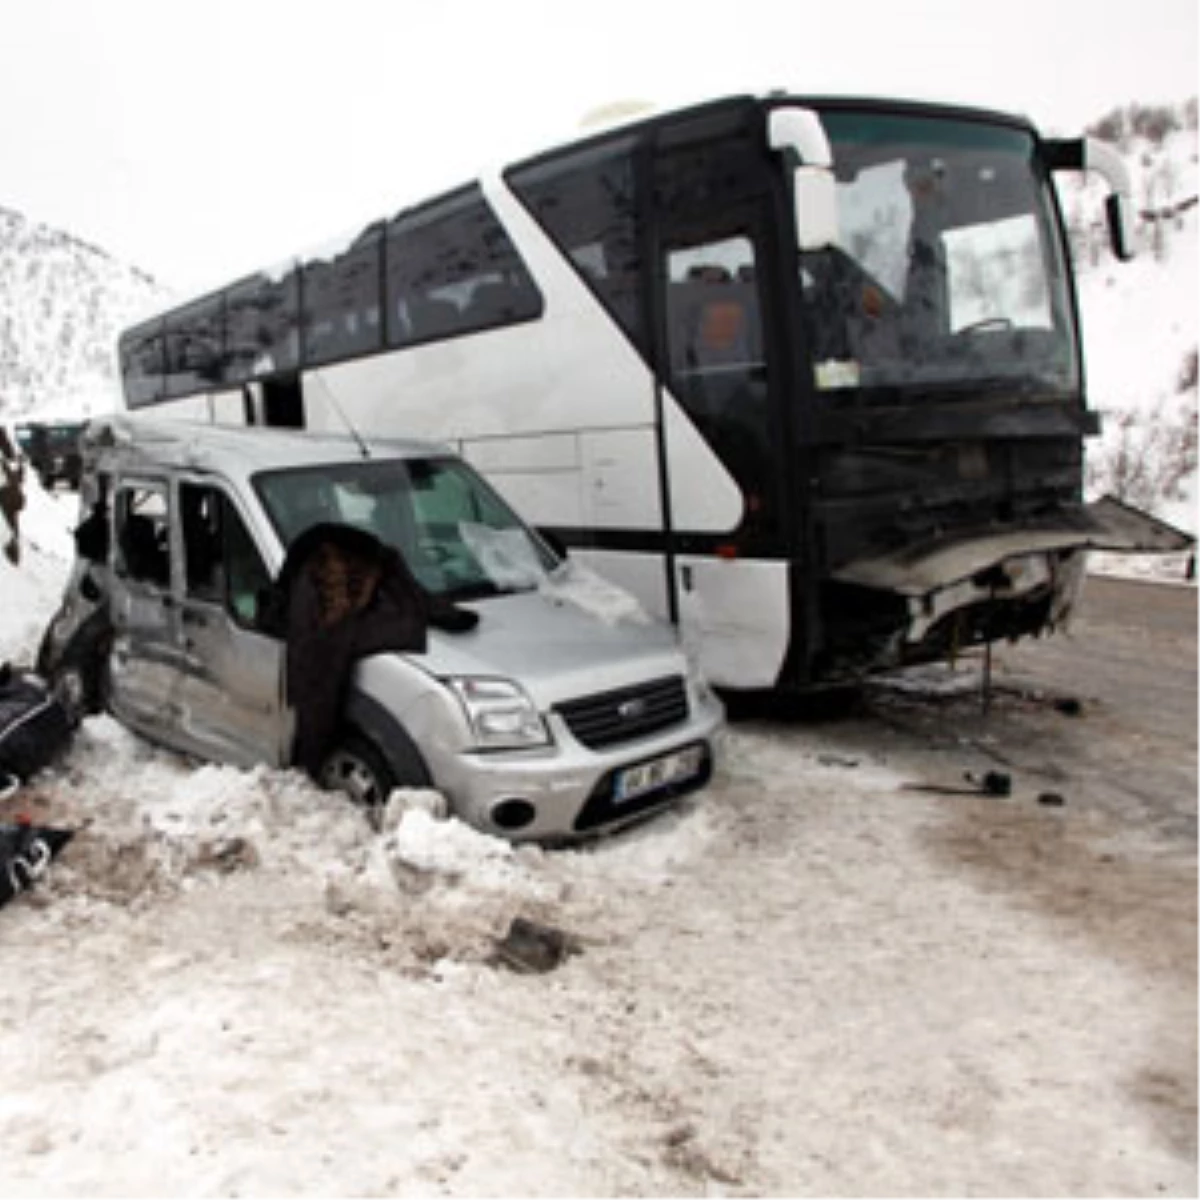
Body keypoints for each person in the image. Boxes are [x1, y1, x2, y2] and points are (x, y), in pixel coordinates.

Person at [0, 427, 26, 566]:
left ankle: (12, 559)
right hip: (9, 492)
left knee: (10, 528)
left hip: (7, 493)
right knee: (11, 528)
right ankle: (13, 559)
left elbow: (17, 464)